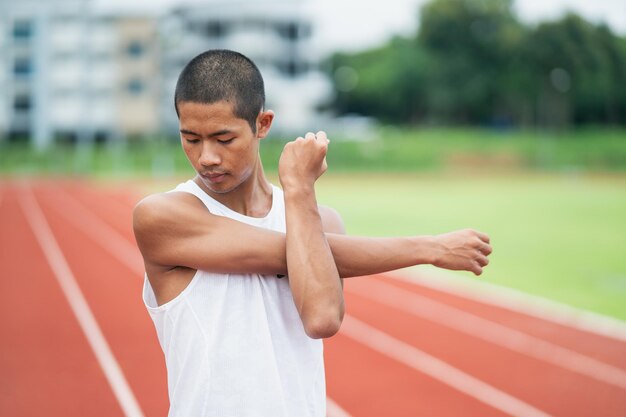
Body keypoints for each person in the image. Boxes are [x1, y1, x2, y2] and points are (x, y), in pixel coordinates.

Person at [133, 49, 492, 417]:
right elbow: (294, 254)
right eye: (191, 138)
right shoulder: (162, 217)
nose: (207, 156)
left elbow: (322, 317)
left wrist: (299, 195)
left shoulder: (324, 222)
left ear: (263, 124)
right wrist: (429, 247)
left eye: (223, 139)